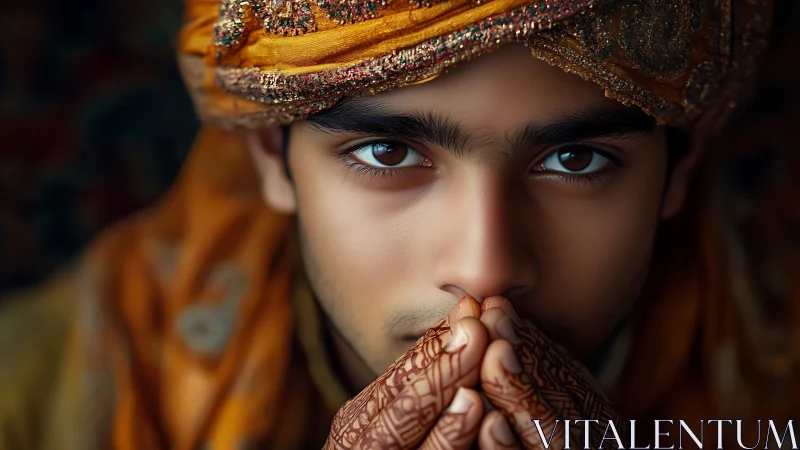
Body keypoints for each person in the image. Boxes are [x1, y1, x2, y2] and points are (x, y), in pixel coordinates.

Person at [1, 0, 796, 449]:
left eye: (577, 162)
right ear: (272, 160)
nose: (485, 269)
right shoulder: (36, 398)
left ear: (677, 173)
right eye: (387, 151)